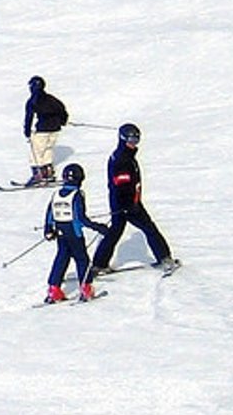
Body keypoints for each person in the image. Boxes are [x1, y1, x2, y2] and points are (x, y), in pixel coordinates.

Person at [90, 124, 180, 275]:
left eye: (136, 140)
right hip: (127, 204)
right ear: (122, 139)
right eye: (131, 139)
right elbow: (121, 185)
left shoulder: (126, 156)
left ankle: (99, 264)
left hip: (127, 202)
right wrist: (127, 205)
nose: (134, 143)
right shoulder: (121, 159)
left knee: (115, 231)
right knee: (149, 229)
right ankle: (165, 258)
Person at [41, 163, 107, 303]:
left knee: (61, 258)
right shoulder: (77, 194)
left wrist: (48, 230)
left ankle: (54, 289)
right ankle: (86, 288)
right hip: (74, 233)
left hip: (60, 232)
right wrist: (99, 227)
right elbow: (81, 218)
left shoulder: (56, 194)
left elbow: (49, 215)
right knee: (82, 259)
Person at [22, 76, 68, 186]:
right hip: (55, 129)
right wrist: (62, 121)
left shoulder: (33, 101)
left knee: (36, 152)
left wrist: (27, 130)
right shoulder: (51, 99)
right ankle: (48, 173)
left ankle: (39, 175)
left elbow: (29, 117)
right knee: (48, 150)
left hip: (42, 130)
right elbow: (62, 109)